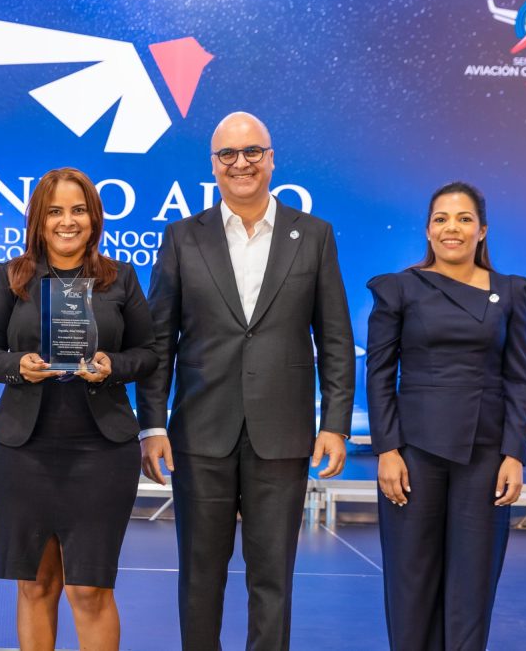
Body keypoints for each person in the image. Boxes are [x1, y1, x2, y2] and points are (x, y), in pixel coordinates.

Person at [137, 112, 356, 650]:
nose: (241, 164)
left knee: (272, 580)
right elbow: (159, 341)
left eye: (252, 152)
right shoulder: (182, 237)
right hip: (200, 432)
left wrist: (336, 425)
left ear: (271, 158)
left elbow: (334, 338)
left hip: (282, 434)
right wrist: (151, 426)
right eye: (228, 155)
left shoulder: (315, 236)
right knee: (199, 578)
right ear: (213, 165)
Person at [0, 167, 156, 651]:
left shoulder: (121, 279)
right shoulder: (11, 277)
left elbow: (149, 353)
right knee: (35, 584)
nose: (66, 221)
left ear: (93, 219)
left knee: (90, 590)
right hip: (22, 451)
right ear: (38, 220)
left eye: (77, 210)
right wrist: (18, 365)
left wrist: (111, 365)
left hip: (101, 452)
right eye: (55, 211)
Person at [366, 181, 526, 650]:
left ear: (482, 231)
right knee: (410, 581)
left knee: (473, 587)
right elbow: (379, 373)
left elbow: (519, 379)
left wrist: (514, 454)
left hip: (484, 459)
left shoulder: (513, 293)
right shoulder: (398, 288)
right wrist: (386, 449)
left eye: (464, 219)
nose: (452, 228)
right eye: (441, 219)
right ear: (427, 230)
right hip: (413, 456)